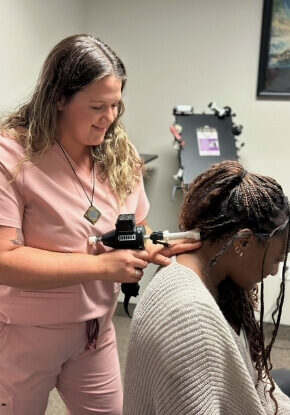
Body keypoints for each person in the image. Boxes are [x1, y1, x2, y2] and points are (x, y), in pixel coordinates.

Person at [0, 34, 200, 415]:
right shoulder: (11, 159)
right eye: (96, 106)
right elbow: (4, 260)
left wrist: (151, 245)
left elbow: (136, 225)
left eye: (115, 105)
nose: (109, 118)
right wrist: (99, 267)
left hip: (95, 333)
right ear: (59, 97)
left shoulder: (119, 156)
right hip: (23, 336)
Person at [123, 160, 290, 415]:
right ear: (243, 242)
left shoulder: (190, 267)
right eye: (276, 259)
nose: (274, 271)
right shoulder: (191, 321)